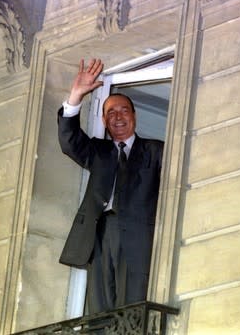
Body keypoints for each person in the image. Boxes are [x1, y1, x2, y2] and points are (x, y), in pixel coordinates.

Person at [58, 58, 164, 314]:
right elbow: (69, 141)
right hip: (100, 231)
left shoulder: (156, 150)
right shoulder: (99, 151)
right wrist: (76, 95)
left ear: (134, 116)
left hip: (139, 233)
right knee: (100, 304)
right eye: (111, 113)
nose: (118, 117)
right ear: (104, 121)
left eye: (123, 110)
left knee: (133, 302)